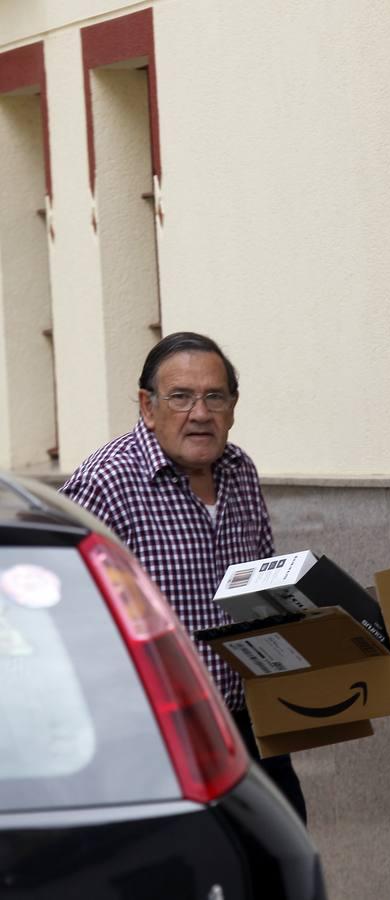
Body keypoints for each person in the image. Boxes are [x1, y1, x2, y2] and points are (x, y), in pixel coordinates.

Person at [61, 331, 307, 822]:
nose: (200, 413)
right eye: (180, 397)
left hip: (250, 728)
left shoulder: (239, 471)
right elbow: (65, 613)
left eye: (215, 396)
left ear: (233, 407)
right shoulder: (105, 483)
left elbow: (261, 590)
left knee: (280, 851)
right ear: (147, 407)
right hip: (152, 739)